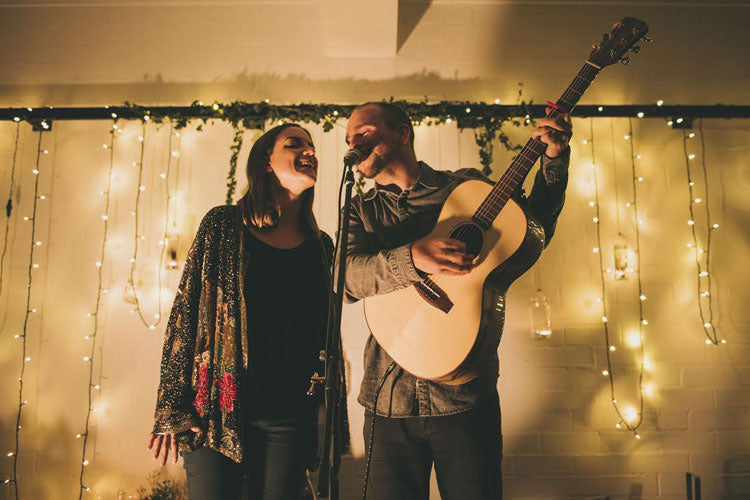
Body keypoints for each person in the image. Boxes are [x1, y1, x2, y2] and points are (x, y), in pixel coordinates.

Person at [341, 102, 572, 500]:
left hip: (465, 394)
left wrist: (553, 160)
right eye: (348, 139)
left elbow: (531, 230)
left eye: (363, 133)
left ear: (402, 134)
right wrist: (413, 257)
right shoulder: (360, 211)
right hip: (388, 399)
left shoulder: (463, 189)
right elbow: (344, 279)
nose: (353, 143)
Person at [147, 123, 344, 499]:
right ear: (266, 163)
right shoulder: (222, 225)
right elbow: (185, 313)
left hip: (290, 415)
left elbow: (324, 336)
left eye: (312, 146)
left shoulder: (323, 247)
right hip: (215, 414)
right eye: (295, 143)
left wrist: (324, 419)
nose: (309, 151)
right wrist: (170, 405)